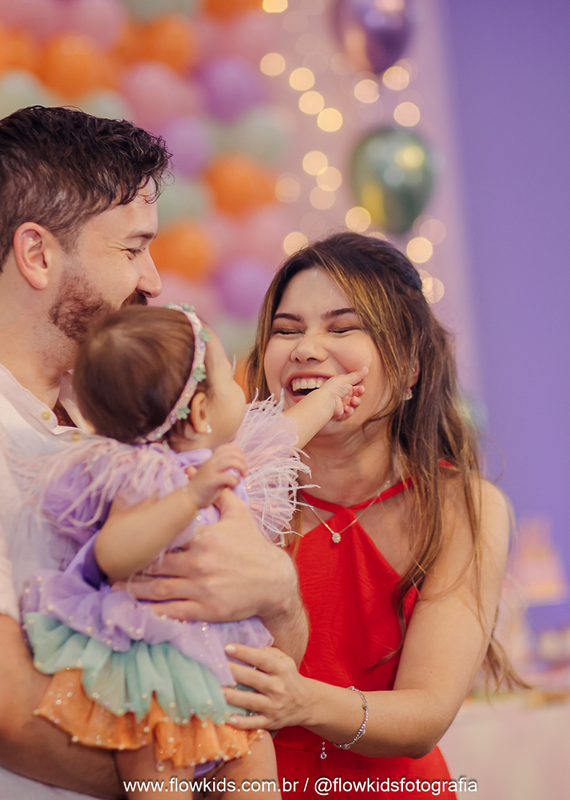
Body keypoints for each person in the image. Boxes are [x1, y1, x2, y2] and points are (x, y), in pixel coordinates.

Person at [0, 107, 307, 800]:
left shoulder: (122, 429)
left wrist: (280, 593)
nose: (153, 280)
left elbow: (247, 667)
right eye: (133, 249)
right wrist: (178, 768)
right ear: (38, 254)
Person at [215, 232, 522, 798]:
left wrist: (301, 701)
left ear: (408, 367)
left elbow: (426, 713)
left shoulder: (464, 506)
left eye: (341, 328)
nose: (307, 348)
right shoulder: (231, 492)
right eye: (287, 330)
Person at [21, 304, 365, 799]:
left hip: (222, 668)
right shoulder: (146, 474)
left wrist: (329, 398)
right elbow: (112, 553)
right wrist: (190, 497)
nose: (240, 390)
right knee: (160, 775)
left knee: (255, 761)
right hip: (156, 678)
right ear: (201, 412)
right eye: (227, 379)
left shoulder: (224, 458)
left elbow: (283, 432)